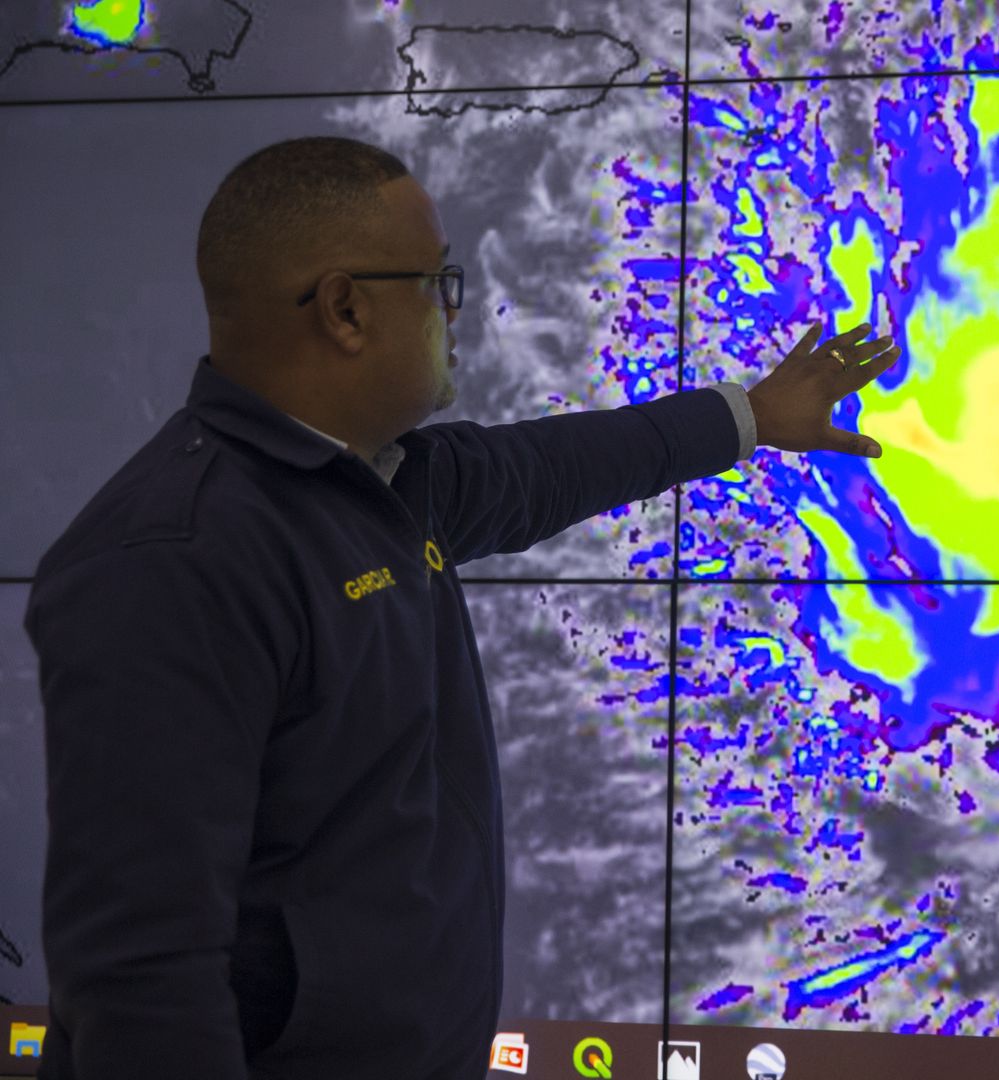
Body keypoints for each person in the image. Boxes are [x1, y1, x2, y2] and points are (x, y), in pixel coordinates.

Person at [23, 135, 900, 1078]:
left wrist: (753, 416)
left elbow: (559, 466)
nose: (453, 313)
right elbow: (141, 983)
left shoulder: (386, 487)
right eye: (438, 283)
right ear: (346, 309)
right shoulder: (175, 562)